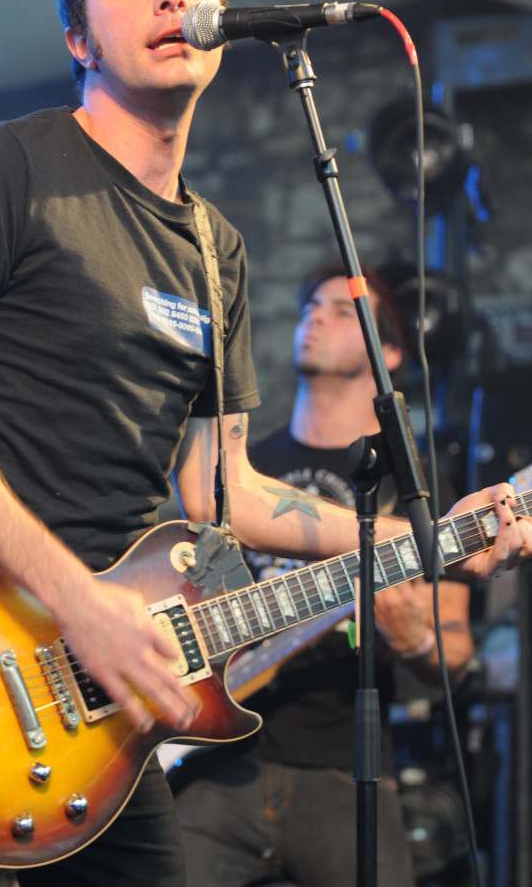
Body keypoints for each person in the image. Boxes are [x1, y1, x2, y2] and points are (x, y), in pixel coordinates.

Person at [0, 0, 528, 887]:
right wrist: (79, 602)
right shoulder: (10, 165)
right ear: (79, 38)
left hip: (113, 701)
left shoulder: (216, 252)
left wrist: (428, 535)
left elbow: (229, 494)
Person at [174, 261, 473, 886]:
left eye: (341, 312)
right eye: (310, 307)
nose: (314, 318)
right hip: (214, 755)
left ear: (390, 353)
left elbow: (455, 653)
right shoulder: (245, 472)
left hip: (341, 764)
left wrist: (416, 640)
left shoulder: (415, 491)